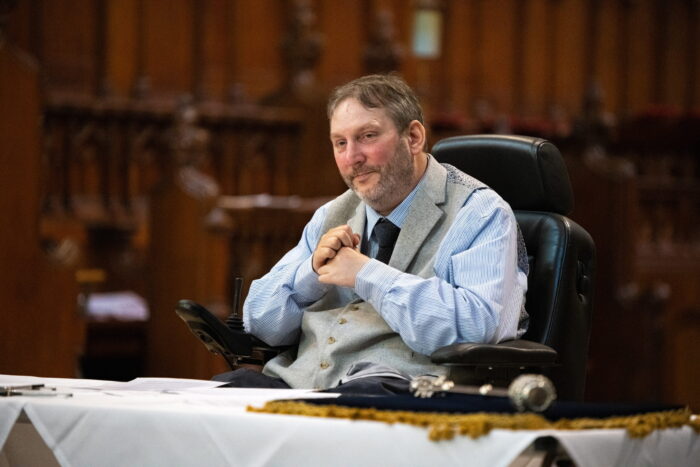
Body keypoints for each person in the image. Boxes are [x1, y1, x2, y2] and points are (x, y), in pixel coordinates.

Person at [216, 74, 528, 394]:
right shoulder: (332, 214)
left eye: (367, 136)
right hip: (303, 384)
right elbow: (260, 325)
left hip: (404, 390)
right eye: (340, 143)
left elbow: (477, 327)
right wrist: (310, 273)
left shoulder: (479, 212)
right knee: (214, 399)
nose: (352, 158)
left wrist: (366, 274)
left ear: (414, 137)